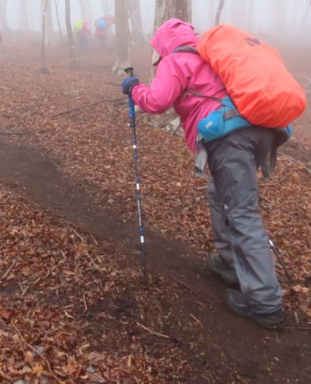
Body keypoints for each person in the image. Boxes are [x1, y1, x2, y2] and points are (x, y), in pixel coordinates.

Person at [121, 18, 285, 329]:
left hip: (230, 136)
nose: (157, 54)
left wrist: (134, 88)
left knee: (241, 212)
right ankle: (231, 263)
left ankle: (264, 303)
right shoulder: (212, 58)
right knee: (218, 193)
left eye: (157, 48)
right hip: (257, 130)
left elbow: (156, 101)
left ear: (163, 45)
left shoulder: (177, 59)